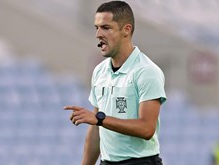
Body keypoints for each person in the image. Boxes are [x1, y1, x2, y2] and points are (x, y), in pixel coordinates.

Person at [64, 1, 166, 165]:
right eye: (96, 27)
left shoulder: (146, 71)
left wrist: (100, 119)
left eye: (106, 27)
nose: (98, 34)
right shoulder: (100, 71)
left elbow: (146, 128)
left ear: (126, 30)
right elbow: (96, 130)